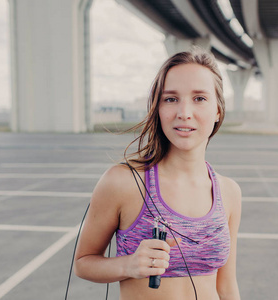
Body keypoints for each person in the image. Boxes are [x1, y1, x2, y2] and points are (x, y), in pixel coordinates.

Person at [74, 48, 242, 300]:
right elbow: (83, 262)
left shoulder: (229, 192)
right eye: (171, 99)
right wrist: (128, 265)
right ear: (158, 108)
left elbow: (227, 286)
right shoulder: (124, 182)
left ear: (218, 110)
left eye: (200, 98)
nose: (184, 112)